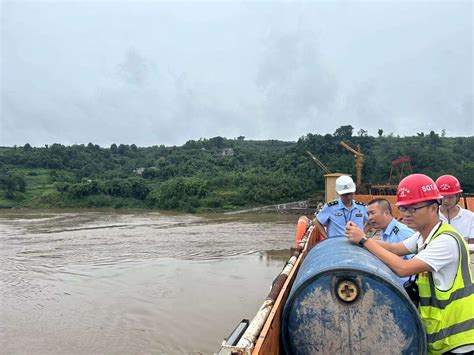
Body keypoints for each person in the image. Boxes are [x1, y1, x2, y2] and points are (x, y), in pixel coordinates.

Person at [345, 173, 474, 354]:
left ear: (432, 207)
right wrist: (361, 237)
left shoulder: (446, 241)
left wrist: (363, 241)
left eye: (413, 209)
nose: (405, 214)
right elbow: (394, 248)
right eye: (403, 208)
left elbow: (402, 268)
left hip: (458, 340)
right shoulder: (423, 236)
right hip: (441, 337)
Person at [366, 198, 414, 284]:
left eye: (372, 213)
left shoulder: (402, 233)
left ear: (386, 213)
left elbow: (417, 268)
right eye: (368, 214)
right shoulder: (383, 231)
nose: (369, 218)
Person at [436, 175, 474, 242]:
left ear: (458, 196)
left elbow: (472, 245)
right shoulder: (430, 216)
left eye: (450, 197)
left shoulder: (470, 217)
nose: (446, 201)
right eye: (442, 197)